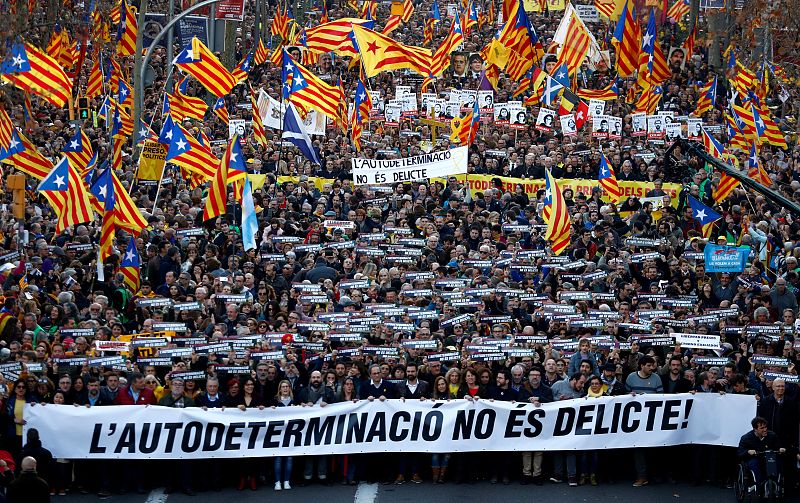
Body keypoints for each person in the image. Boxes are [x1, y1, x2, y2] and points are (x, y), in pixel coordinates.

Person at [625, 356, 663, 487]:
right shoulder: (631, 377)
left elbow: (661, 397)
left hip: (652, 419)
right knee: (638, 448)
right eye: (648, 365)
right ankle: (641, 476)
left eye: (653, 365)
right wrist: (629, 396)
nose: (651, 368)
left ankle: (654, 475)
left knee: (653, 449)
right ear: (642, 366)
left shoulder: (656, 378)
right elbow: (624, 397)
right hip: (635, 421)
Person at [737, 417, 784, 489]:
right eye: (762, 428)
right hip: (754, 459)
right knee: (754, 463)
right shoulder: (746, 438)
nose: (765, 430)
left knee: (777, 462)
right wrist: (748, 451)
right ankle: (759, 486)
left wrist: (780, 449)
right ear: (755, 429)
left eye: (765, 427)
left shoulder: (772, 436)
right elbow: (740, 453)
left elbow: (777, 447)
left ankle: (776, 485)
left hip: (768, 457)